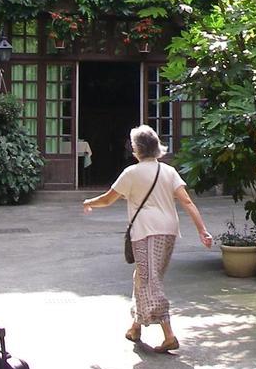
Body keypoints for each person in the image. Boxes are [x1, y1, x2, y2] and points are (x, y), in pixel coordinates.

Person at [83, 125, 213, 352]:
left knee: (150, 281)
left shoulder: (131, 173)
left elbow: (107, 199)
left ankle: (168, 333)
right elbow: (187, 202)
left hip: (145, 231)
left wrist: (88, 203)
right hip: (169, 231)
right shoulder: (168, 171)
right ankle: (136, 326)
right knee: (144, 278)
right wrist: (202, 230)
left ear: (136, 149)